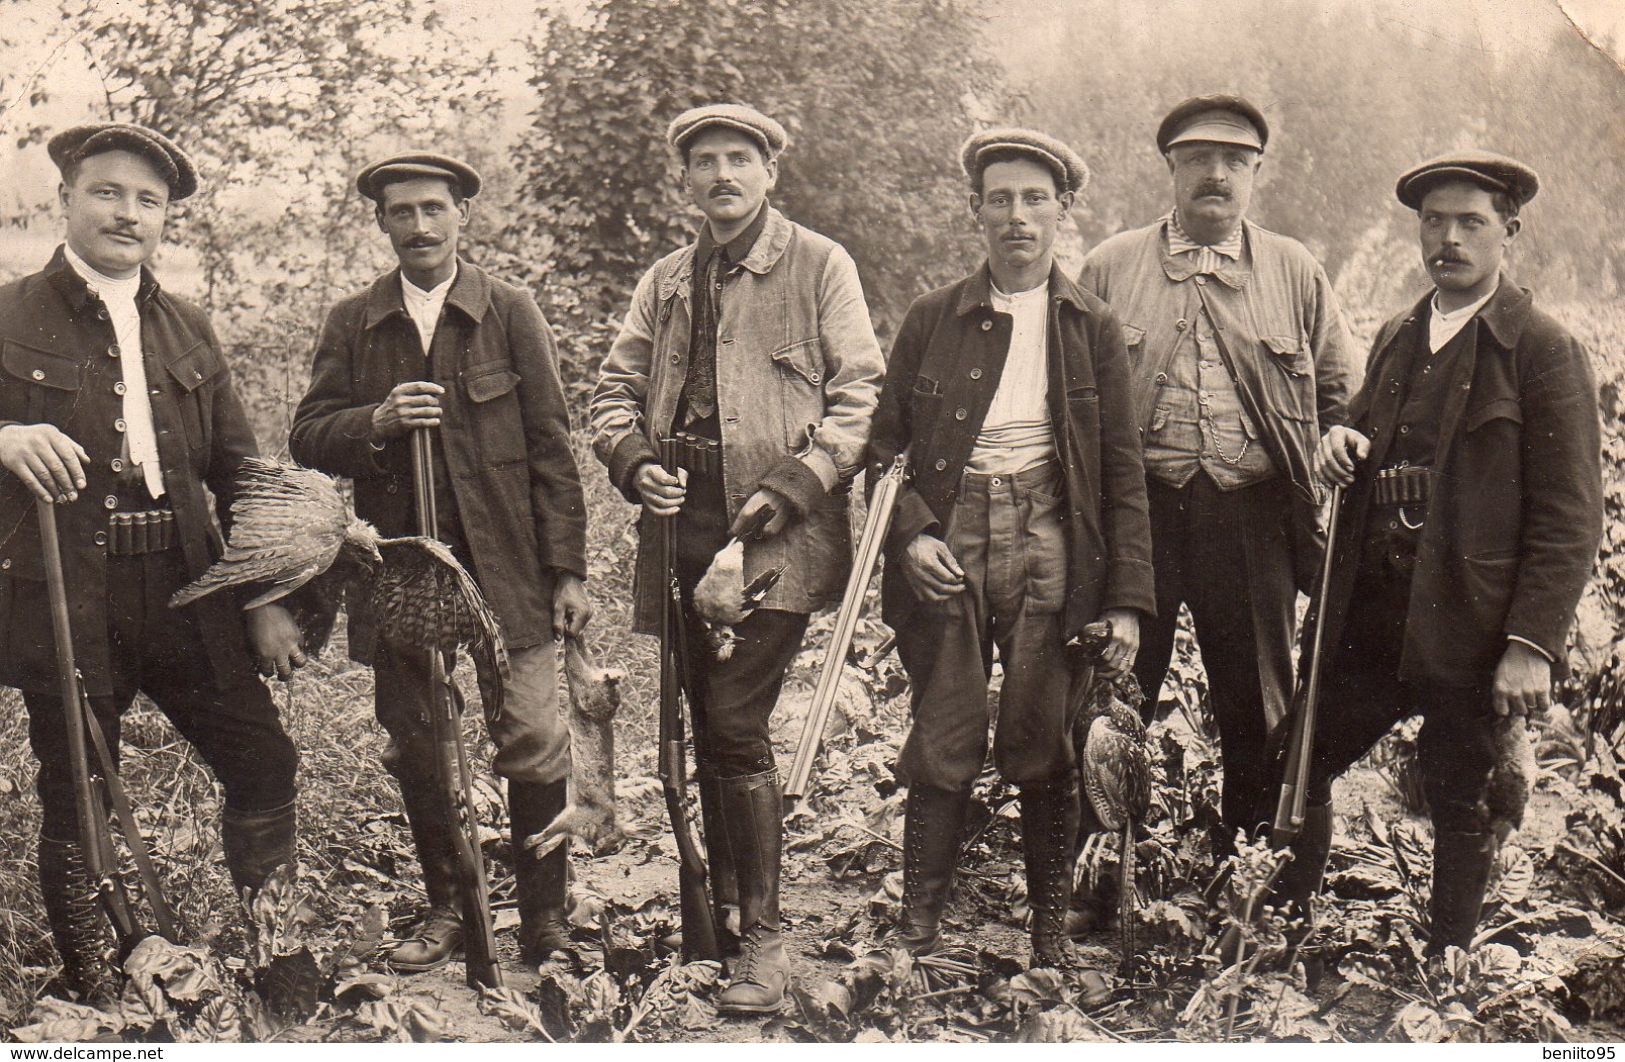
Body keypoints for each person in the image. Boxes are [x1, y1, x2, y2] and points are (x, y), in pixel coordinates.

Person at [590, 103, 883, 1013]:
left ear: (769, 173)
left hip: (776, 533)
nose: (722, 174)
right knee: (692, 721)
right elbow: (612, 390)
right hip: (680, 523)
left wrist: (793, 486)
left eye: (739, 158)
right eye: (704, 161)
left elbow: (860, 394)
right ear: (685, 182)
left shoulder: (819, 264)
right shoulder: (669, 279)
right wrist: (634, 461)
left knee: (732, 723)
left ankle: (760, 934)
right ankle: (709, 913)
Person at [0, 124, 302, 998]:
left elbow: (240, 472)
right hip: (67, 590)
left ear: (166, 219)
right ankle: (98, 979)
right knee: (78, 789)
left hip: (187, 589)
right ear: (66, 198)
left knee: (263, 761)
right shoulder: (10, 315)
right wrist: (5, 434)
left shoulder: (186, 327)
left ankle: (276, 948)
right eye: (108, 192)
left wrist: (266, 595)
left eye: (149, 201)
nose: (127, 215)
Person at [1289, 151, 1601, 959]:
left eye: (1470, 222)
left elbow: (1569, 516)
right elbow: (1358, 436)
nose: (1449, 239)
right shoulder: (1397, 334)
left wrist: (1530, 645)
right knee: (1295, 757)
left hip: (1471, 620)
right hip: (1372, 615)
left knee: (1460, 796)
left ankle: (1445, 963)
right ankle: (1282, 927)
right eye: (1434, 222)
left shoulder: (1541, 349)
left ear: (1509, 233)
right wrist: (1338, 444)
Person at [289, 152, 591, 971]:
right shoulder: (354, 320)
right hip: (402, 569)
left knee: (531, 737)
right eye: (401, 213)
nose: (419, 227)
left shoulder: (508, 310)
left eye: (433, 209)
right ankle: (448, 908)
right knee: (419, 739)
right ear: (381, 223)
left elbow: (550, 447)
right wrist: (377, 420)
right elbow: (308, 433)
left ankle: (545, 918)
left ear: (462, 213)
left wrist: (567, 569)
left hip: (509, 568)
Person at [864, 128, 1155, 973]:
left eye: (1034, 200)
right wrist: (910, 531)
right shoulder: (931, 318)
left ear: (1063, 211)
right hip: (951, 532)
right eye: (999, 200)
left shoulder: (1092, 326)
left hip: (1049, 538)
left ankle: (1047, 935)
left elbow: (1121, 471)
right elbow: (884, 448)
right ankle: (918, 930)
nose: (1016, 217)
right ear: (975, 213)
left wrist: (1125, 601)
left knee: (1041, 738)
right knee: (944, 730)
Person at [1075, 94, 1357, 837]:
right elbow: (1065, 397)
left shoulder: (1294, 270)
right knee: (1113, 694)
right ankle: (1102, 873)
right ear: (1170, 168)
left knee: (1256, 700)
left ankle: (1247, 871)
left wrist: (1335, 442)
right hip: (1139, 517)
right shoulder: (1108, 267)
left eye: (1235, 161)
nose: (1216, 175)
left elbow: (1342, 396)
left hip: (1254, 515)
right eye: (1198, 158)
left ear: (1256, 173)